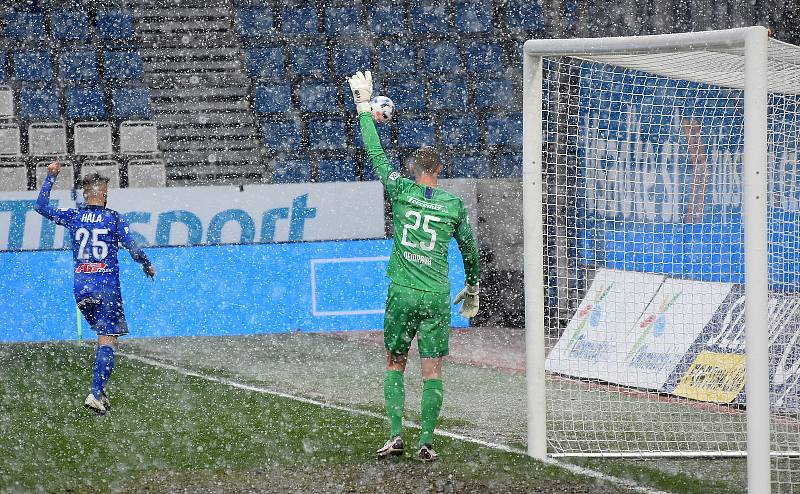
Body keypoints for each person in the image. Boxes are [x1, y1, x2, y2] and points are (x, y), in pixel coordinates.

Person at [347, 71, 480, 461]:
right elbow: (470, 251)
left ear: (412, 171)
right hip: (436, 295)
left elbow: (374, 154)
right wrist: (472, 286)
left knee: (394, 362)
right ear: (438, 172)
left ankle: (394, 435)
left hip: (402, 291)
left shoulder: (401, 191)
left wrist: (362, 110)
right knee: (433, 370)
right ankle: (425, 441)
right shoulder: (453, 205)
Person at [35, 161, 156, 414]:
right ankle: (95, 392)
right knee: (108, 340)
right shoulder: (113, 218)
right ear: (103, 193)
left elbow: (41, 206)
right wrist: (147, 264)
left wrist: (50, 176)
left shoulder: (75, 215)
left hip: (81, 289)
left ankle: (100, 387)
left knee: (104, 337)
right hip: (106, 287)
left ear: (85, 193)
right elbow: (133, 249)